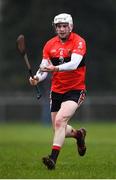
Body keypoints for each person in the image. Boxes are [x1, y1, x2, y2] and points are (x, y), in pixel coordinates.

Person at [29, 13, 87, 170]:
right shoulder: (49, 45)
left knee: (61, 121)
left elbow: (74, 64)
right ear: (55, 28)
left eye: (64, 26)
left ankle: (52, 159)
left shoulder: (79, 42)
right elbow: (43, 69)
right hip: (57, 90)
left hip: (75, 90)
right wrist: (36, 78)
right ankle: (78, 135)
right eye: (58, 26)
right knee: (57, 127)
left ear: (71, 27)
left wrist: (56, 68)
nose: (61, 29)